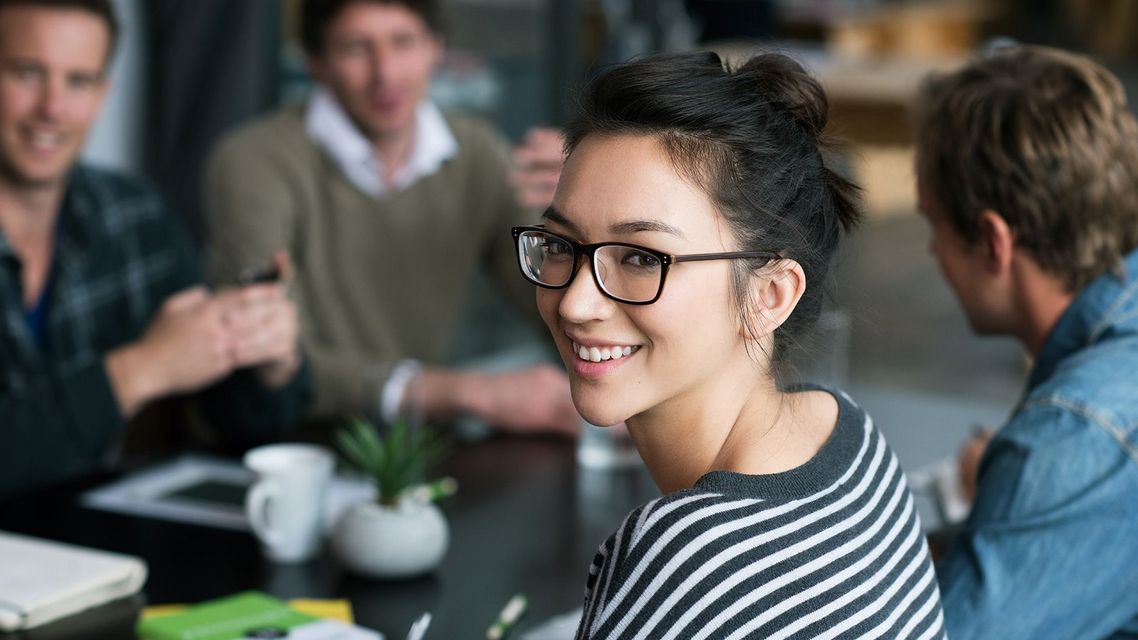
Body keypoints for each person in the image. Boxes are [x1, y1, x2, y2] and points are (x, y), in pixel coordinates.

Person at [513, 51, 946, 638]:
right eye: (561, 244)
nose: (574, 303)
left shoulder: (683, 558)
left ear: (769, 294)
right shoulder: (848, 436)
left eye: (642, 258)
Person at [204, 0, 578, 436]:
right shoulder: (254, 161)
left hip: (413, 449)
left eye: (403, 42)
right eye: (356, 48)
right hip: (286, 445)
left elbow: (552, 307)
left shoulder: (477, 153)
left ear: (435, 47)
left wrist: (579, 219)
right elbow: (273, 354)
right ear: (317, 63)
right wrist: (471, 392)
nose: (386, 73)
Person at [0, 0, 308, 498]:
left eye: (79, 81)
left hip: (94, 550)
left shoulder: (133, 215)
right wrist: (140, 369)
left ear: (103, 94)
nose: (52, 108)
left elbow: (239, 425)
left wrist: (267, 361)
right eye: (27, 73)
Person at [915, 45, 1138, 638]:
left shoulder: (1074, 434)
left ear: (993, 241)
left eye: (932, 224)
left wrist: (1025, 485)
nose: (933, 252)